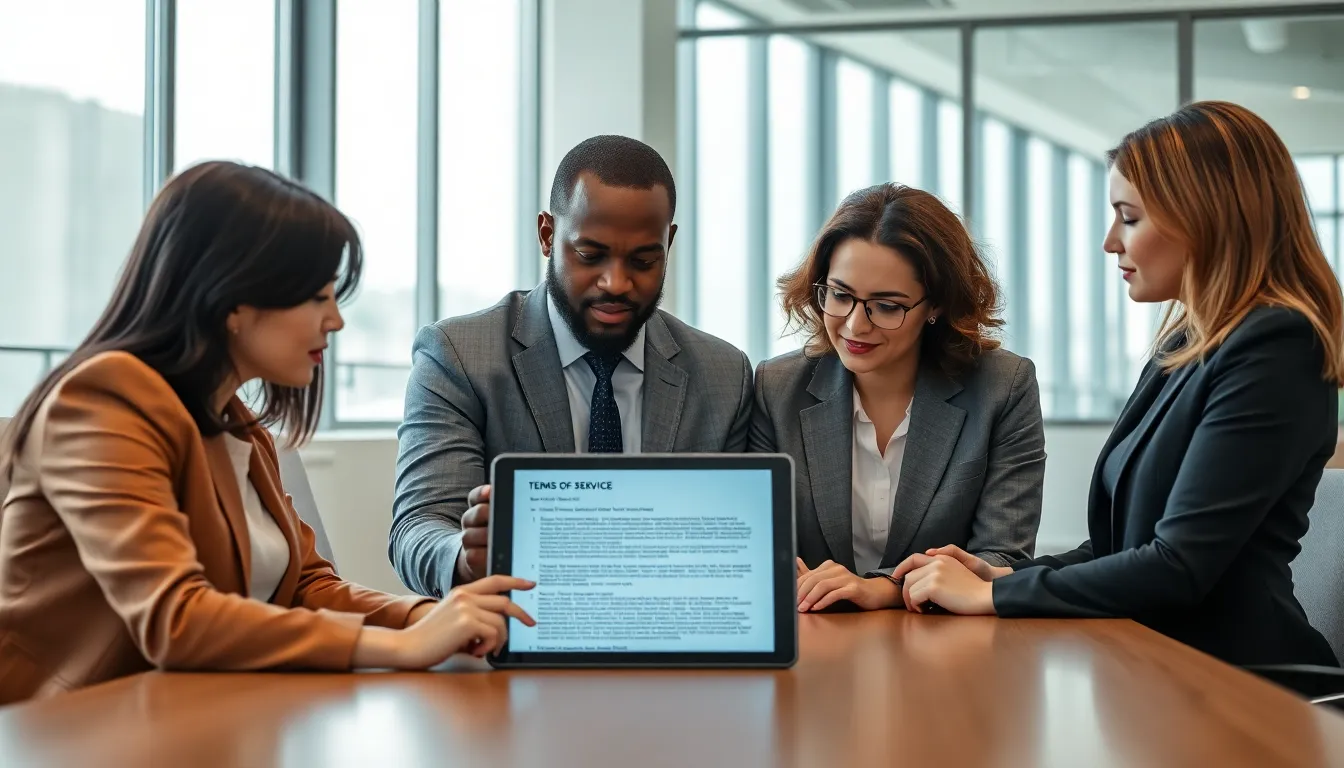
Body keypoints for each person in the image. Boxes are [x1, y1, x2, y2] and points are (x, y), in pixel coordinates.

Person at [0, 162, 534, 705]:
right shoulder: (103, 400)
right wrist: (403, 646)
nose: (336, 321)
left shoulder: (238, 425)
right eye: (317, 297)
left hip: (193, 719)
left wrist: (439, 617)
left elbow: (306, 588)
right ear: (234, 298)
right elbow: (174, 619)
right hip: (65, 731)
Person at [890, 101, 1343, 668]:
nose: (1111, 241)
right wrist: (1008, 574)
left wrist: (994, 596)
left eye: (1128, 217)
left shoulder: (1277, 348)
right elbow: (1120, 551)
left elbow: (1178, 568)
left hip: (1243, 684)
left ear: (1204, 217)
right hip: (1156, 667)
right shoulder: (1186, 343)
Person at [391, 135, 753, 597]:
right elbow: (418, 526)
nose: (616, 283)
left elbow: (735, 544)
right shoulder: (460, 357)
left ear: (670, 242)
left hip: (669, 633)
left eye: (644, 260)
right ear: (547, 235)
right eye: (590, 255)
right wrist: (463, 557)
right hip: (514, 637)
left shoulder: (724, 375)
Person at [752, 183, 1046, 613]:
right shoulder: (777, 388)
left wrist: (885, 587)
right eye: (840, 295)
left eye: (886, 306)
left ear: (936, 306)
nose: (854, 325)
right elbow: (763, 555)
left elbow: (1002, 560)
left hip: (945, 648)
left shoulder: (1003, 387)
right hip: (817, 640)